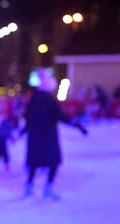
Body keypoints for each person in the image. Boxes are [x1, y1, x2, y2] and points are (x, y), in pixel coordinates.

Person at [20, 68, 87, 200]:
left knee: (34, 162)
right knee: (53, 162)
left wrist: (22, 132)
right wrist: (76, 124)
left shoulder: (33, 99)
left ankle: (29, 187)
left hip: (34, 137)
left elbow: (27, 117)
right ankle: (47, 188)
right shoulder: (50, 100)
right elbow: (60, 116)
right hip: (48, 137)